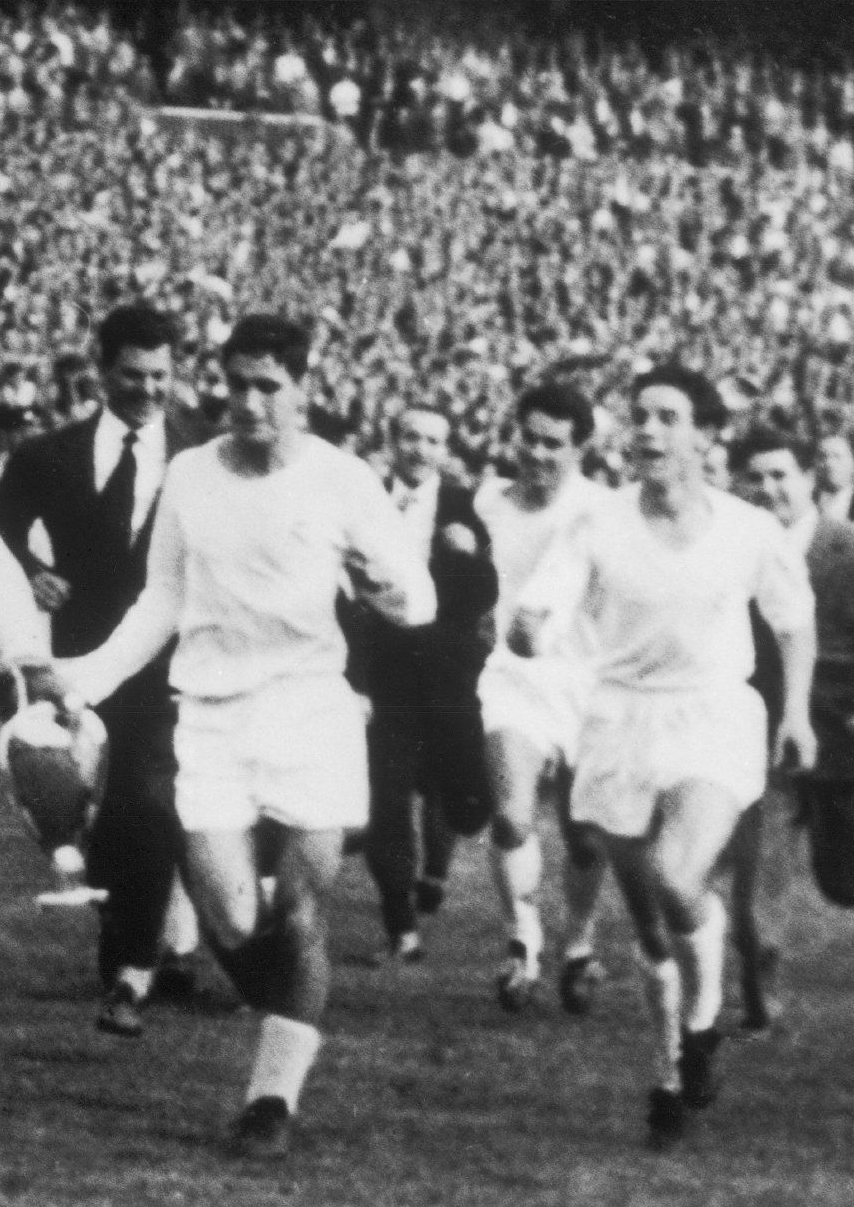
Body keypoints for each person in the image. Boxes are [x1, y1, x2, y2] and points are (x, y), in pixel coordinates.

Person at [53, 310, 425, 1161]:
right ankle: (292, 1014)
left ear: (303, 391)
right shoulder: (189, 473)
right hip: (213, 717)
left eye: (271, 386)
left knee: (297, 913)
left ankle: (271, 1099)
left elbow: (421, 600)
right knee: (228, 912)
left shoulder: (342, 477)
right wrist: (88, 677)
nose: (251, 402)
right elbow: (159, 602)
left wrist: (382, 586)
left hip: (310, 710)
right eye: (238, 384)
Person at [507, 363, 812, 1153]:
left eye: (667, 416)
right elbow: (542, 602)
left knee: (683, 877)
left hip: (712, 712)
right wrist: (528, 629)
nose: (646, 430)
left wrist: (798, 712)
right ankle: (670, 1071)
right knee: (649, 924)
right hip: (618, 720)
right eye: (638, 415)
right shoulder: (598, 522)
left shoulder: (748, 527)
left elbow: (793, 621)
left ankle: (706, 1020)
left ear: (703, 434)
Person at [0, 300, 202, 1036]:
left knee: (149, 798)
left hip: (174, 657)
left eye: (160, 375)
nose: (147, 388)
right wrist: (32, 569)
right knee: (105, 810)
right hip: (83, 657)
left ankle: (131, 969)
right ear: (103, 370)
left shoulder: (201, 453)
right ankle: (152, 945)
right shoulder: (49, 453)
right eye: (133, 374)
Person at [724, 425, 854, 1030]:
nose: (768, 490)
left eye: (780, 475)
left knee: (847, 887)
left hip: (851, 739)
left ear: (809, 479)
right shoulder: (731, 547)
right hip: (765, 742)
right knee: (759, 879)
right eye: (754, 478)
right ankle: (760, 997)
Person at [472, 376, 617, 1011]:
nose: (536, 454)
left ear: (580, 447)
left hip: (591, 683)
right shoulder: (488, 502)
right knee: (510, 815)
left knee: (586, 837)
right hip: (515, 676)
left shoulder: (606, 510)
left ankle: (580, 944)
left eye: (553, 444)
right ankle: (522, 941)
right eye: (528, 440)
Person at [355, 401, 496, 966]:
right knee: (387, 799)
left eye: (431, 440)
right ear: (393, 441)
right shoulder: (362, 501)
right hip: (383, 672)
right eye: (409, 437)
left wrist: (467, 556)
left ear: (445, 451)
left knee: (459, 796)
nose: (419, 449)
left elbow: (482, 597)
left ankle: (435, 869)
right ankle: (401, 927)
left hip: (447, 675)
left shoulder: (463, 508)